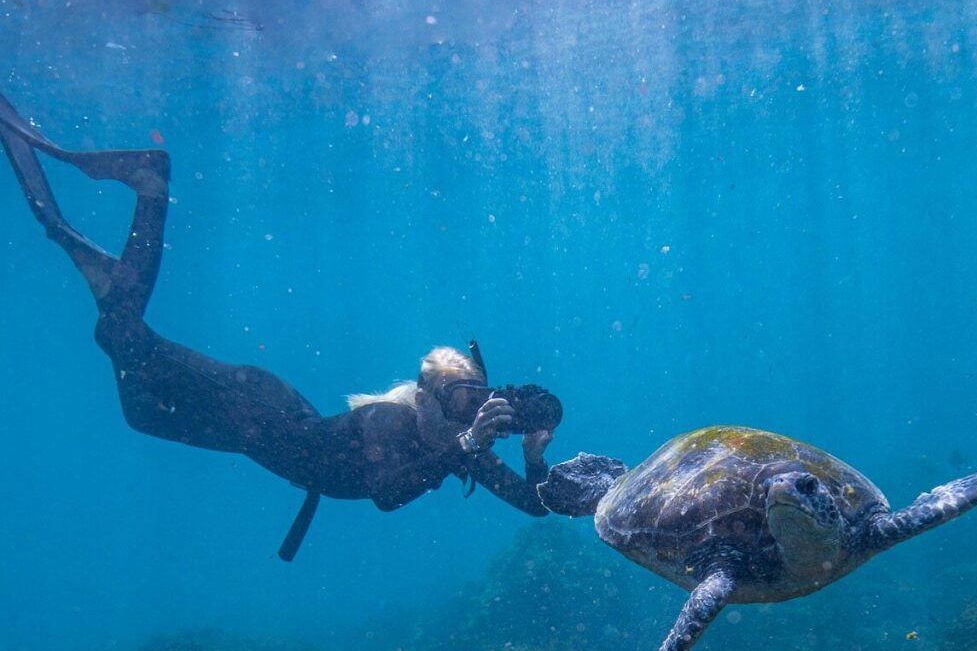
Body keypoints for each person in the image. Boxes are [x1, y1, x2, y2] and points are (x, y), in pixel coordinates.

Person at [0, 92, 559, 559]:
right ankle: (150, 185)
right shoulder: (392, 421)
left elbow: (533, 505)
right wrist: (466, 443)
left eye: (479, 401)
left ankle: (108, 260)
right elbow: (386, 494)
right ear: (430, 396)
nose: (473, 412)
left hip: (256, 438)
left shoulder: (462, 447)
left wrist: (533, 457)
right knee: (122, 337)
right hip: (257, 408)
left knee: (139, 412)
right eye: (464, 400)